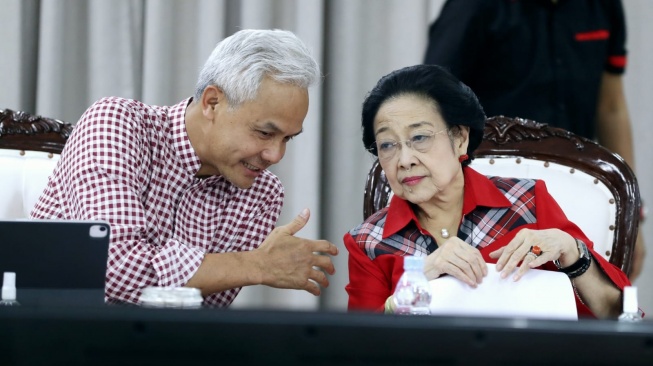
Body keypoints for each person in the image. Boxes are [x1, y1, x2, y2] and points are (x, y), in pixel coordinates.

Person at [31, 29, 338, 307]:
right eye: (264, 133)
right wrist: (257, 264)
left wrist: (241, 266)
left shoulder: (263, 193)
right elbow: (114, 267)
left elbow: (199, 316)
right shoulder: (116, 123)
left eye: (288, 139)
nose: (275, 155)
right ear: (212, 102)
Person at [344, 64, 630, 318]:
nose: (404, 160)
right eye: (388, 145)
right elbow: (359, 348)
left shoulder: (526, 202)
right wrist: (418, 279)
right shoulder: (369, 241)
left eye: (419, 138)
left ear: (460, 138)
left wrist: (572, 251)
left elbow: (617, 313)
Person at [423, 0, 645, 280]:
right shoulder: (470, 7)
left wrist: (630, 212)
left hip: (578, 189)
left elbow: (611, 106)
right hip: (487, 197)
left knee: (587, 302)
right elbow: (432, 104)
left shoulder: (603, 6)